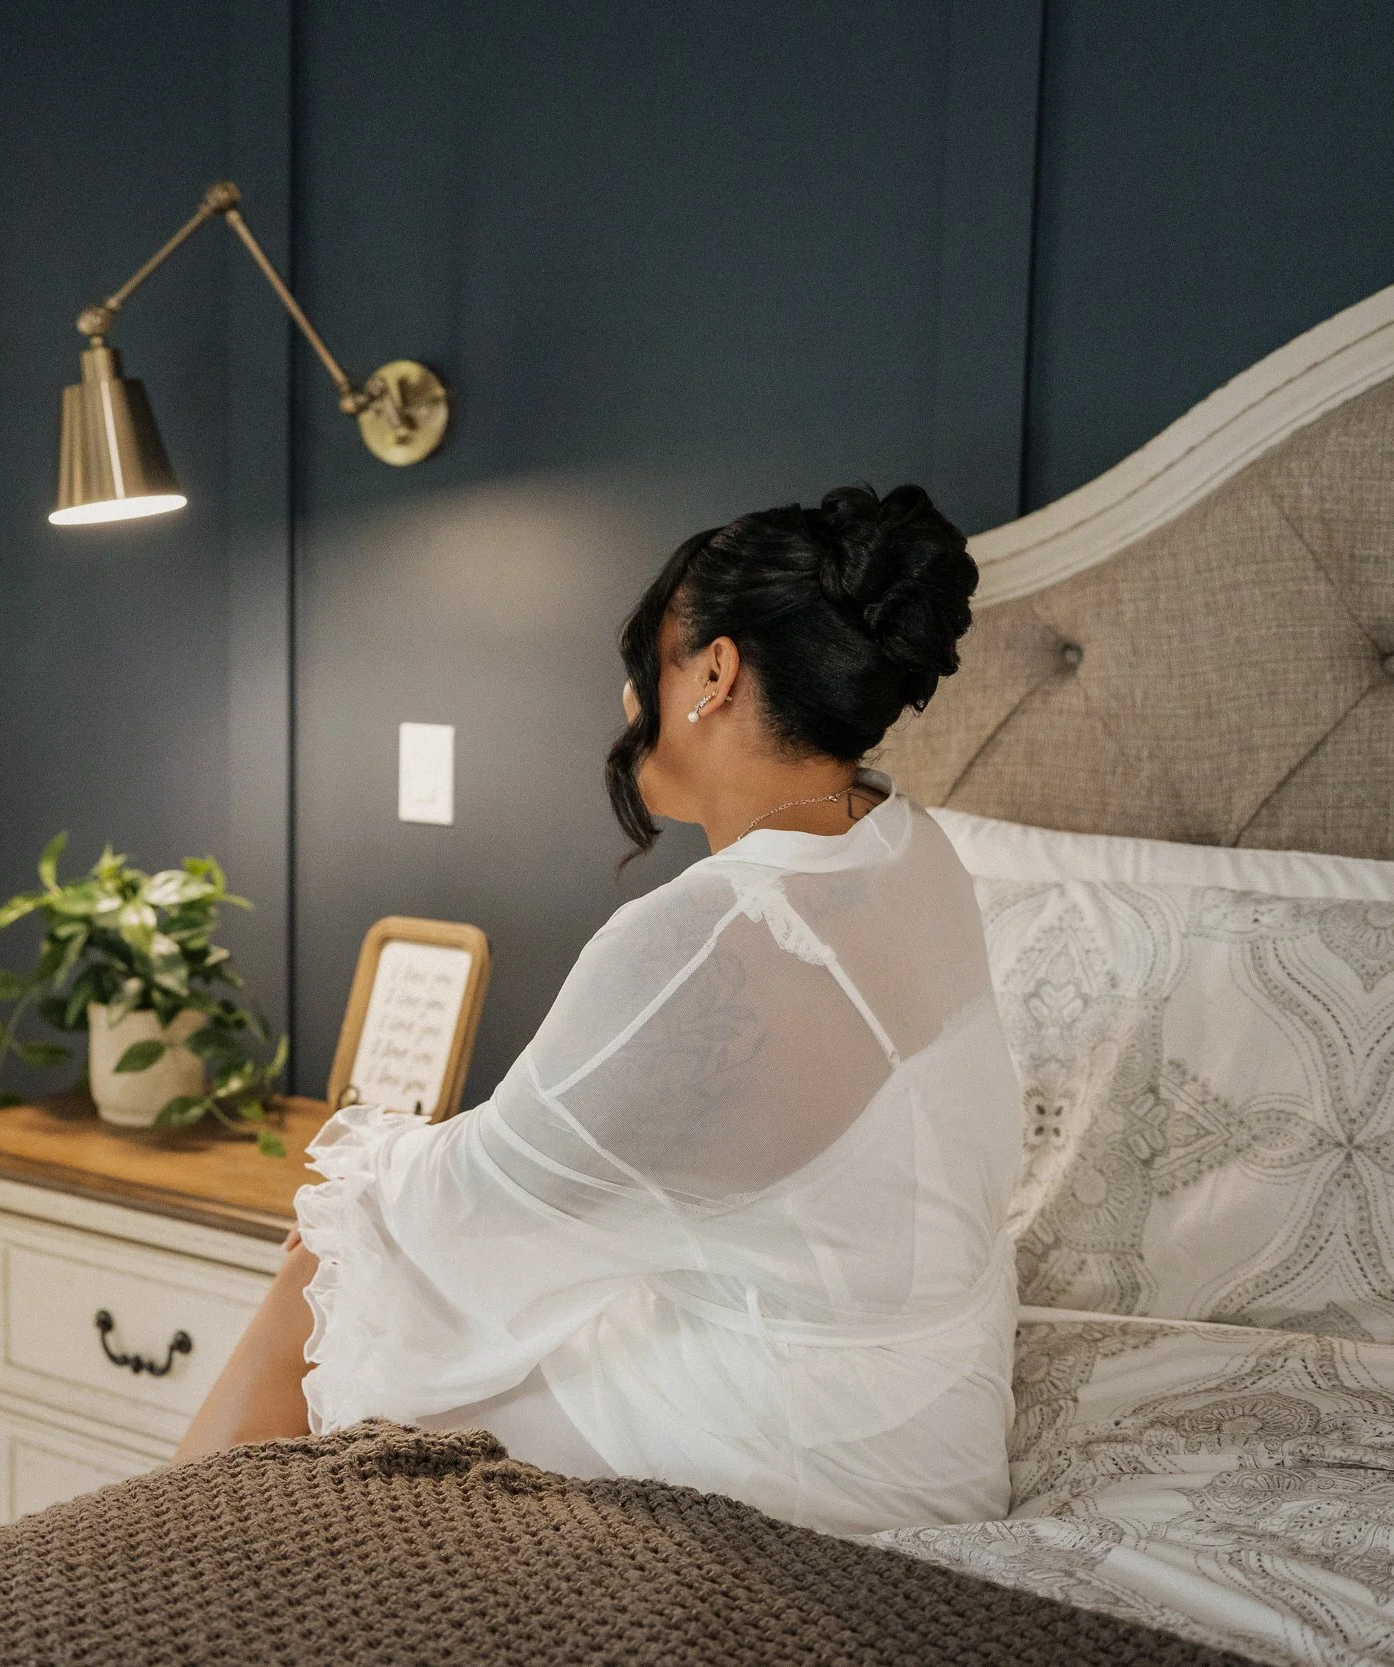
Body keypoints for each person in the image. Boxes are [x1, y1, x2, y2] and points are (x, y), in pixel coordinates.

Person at [175, 484, 1022, 1536]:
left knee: (335, 1246)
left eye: (649, 660)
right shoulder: (904, 841)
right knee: (384, 1244)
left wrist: (353, 1185)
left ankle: (146, 1570)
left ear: (714, 672)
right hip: (935, 1410)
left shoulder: (707, 936)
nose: (630, 700)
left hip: (811, 1449)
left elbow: (463, 1209)